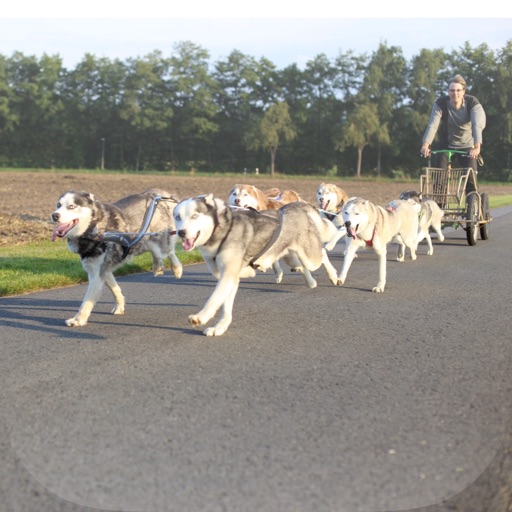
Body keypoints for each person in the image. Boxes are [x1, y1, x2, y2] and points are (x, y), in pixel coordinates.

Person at [420, 74, 486, 193]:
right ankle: (439, 209)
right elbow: (432, 125)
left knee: (471, 180)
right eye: (452, 90)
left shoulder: (472, 103)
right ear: (448, 91)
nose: (455, 93)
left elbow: (477, 125)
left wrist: (477, 147)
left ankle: (474, 208)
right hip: (446, 145)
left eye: (458, 90)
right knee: (439, 178)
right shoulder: (441, 103)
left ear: (464, 91)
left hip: (467, 146)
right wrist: (425, 145)